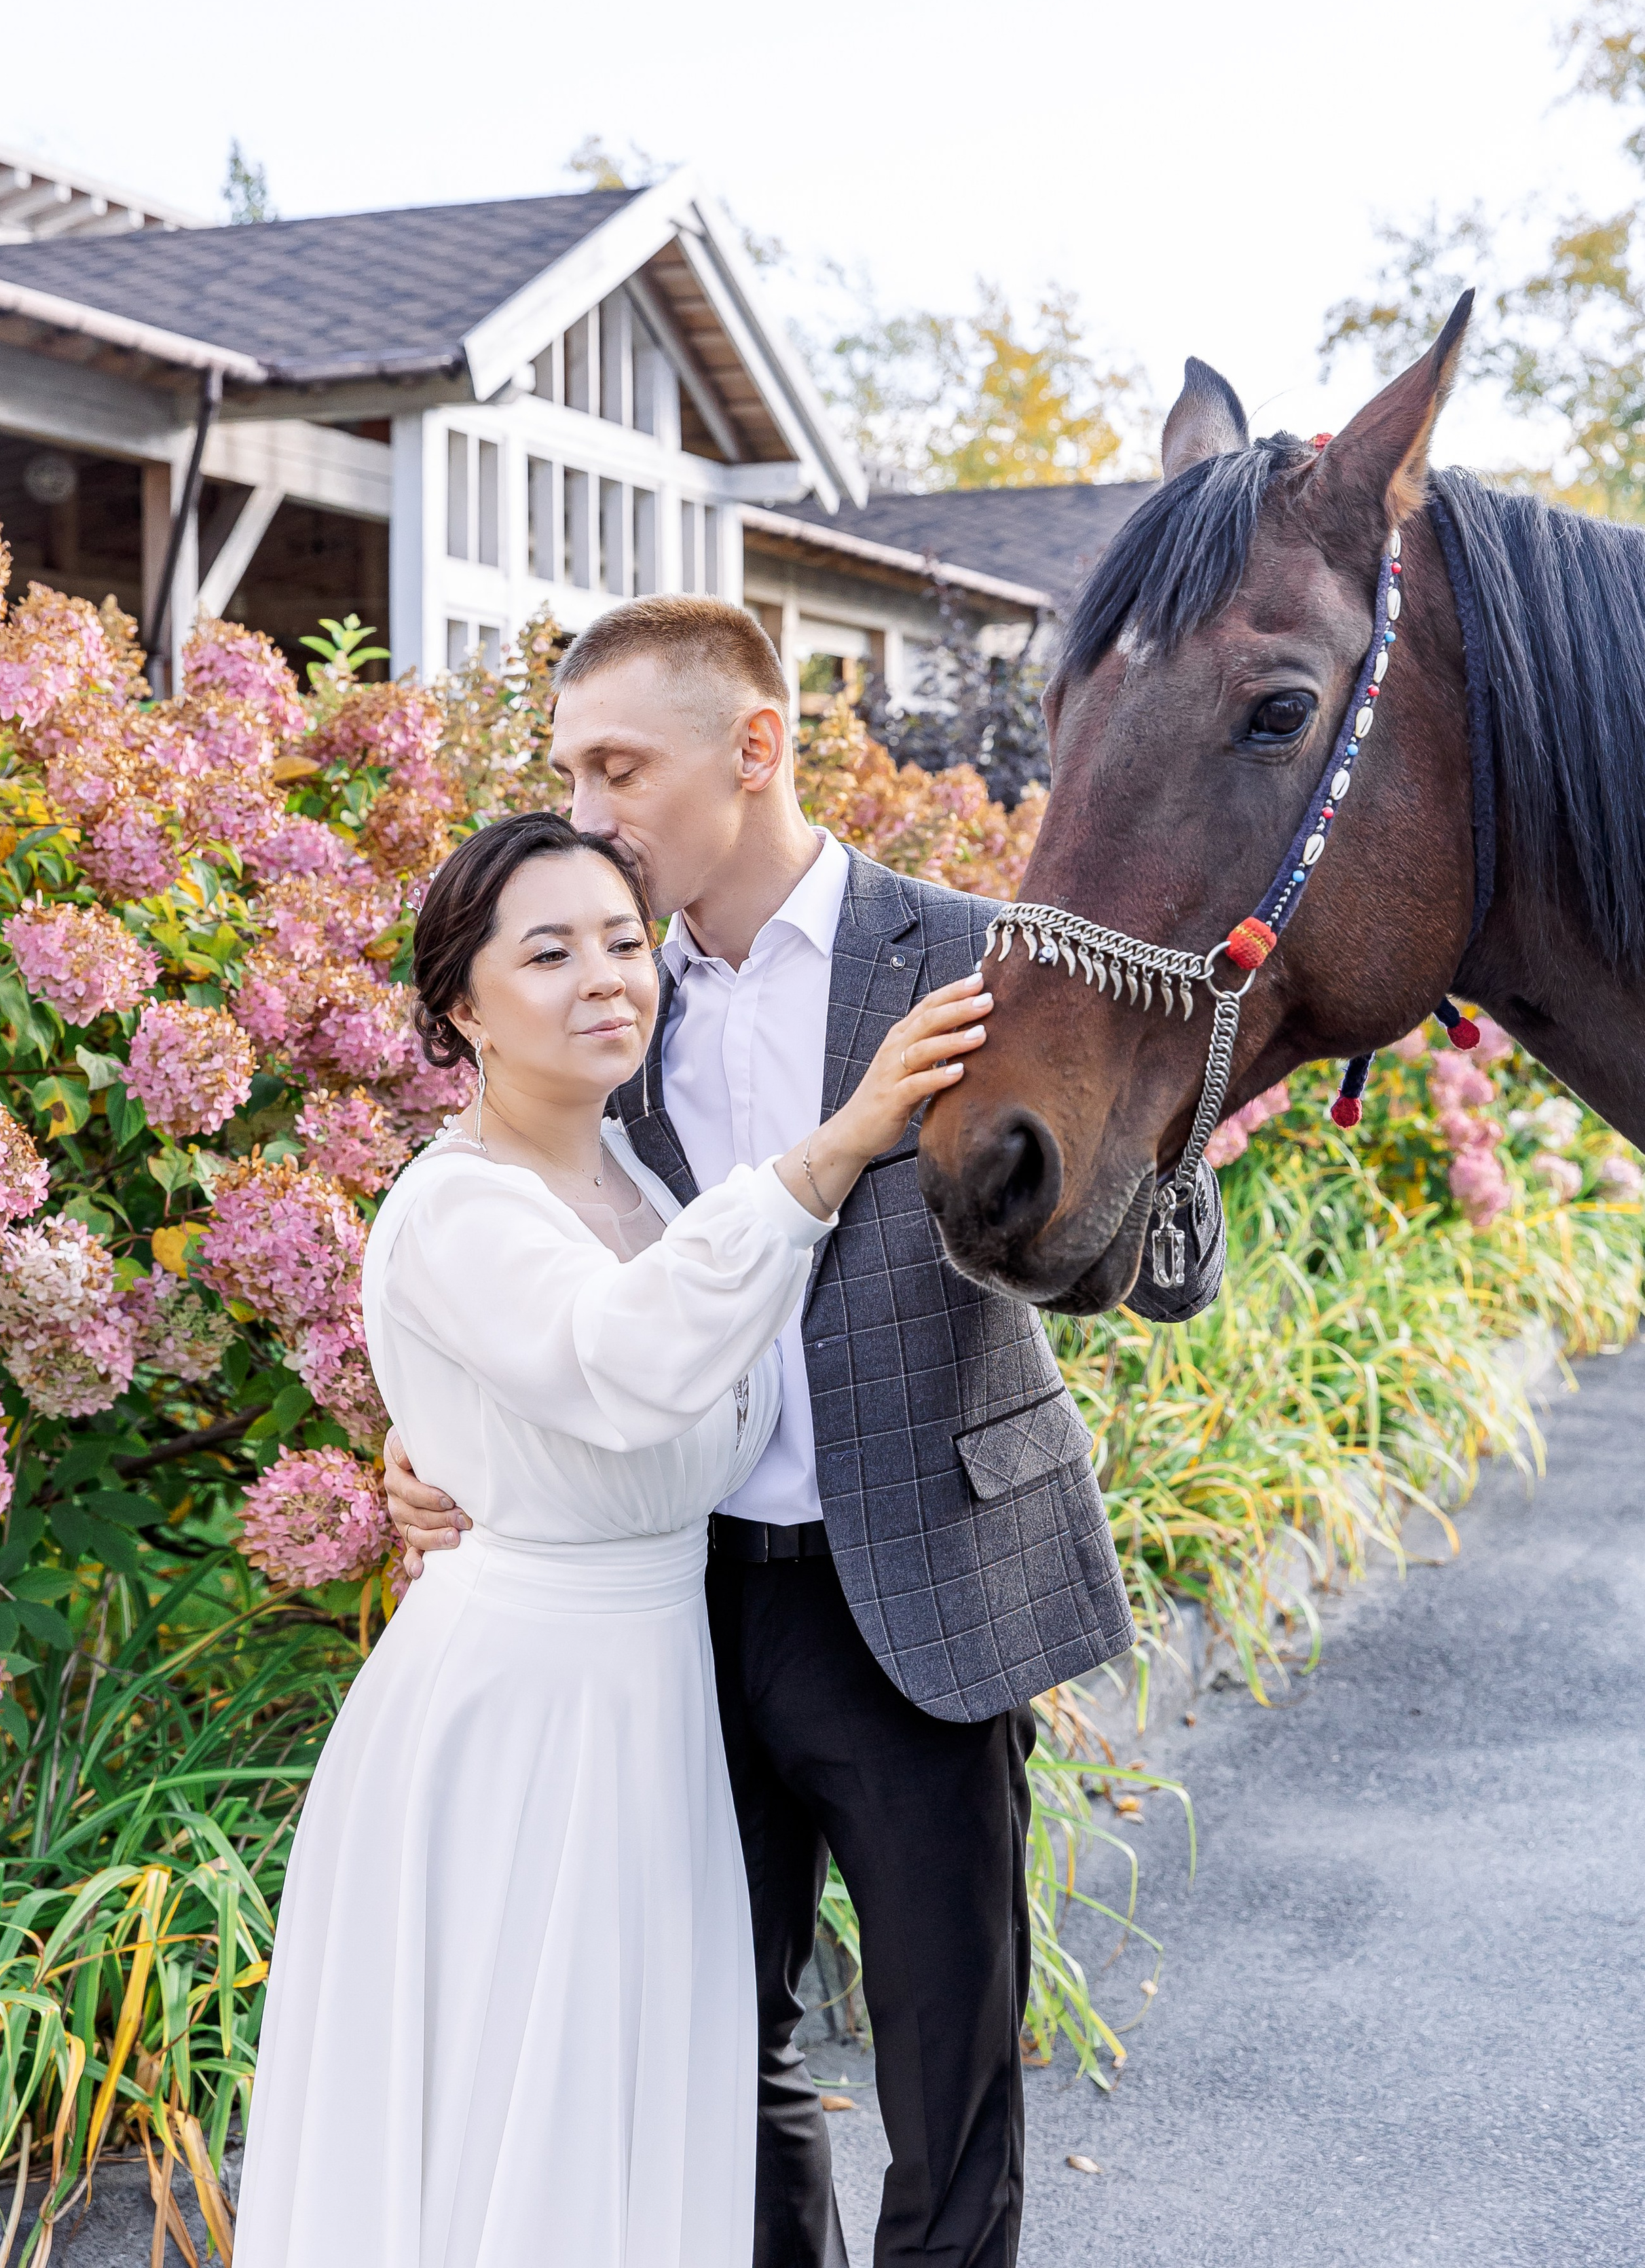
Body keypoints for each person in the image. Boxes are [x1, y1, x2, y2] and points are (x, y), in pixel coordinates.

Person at [386, 598, 1225, 2267]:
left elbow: (1176, 1269)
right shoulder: (603, 1001)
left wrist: (1128, 1146)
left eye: (615, 768)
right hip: (677, 1601)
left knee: (948, 2076)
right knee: (713, 2060)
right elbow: (525, 1265)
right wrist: (443, 1449)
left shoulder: (981, 956)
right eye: (568, 771)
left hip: (919, 1577)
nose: (584, 810)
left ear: (753, 748)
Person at [232, 806, 992, 2268]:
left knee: (642, 2082)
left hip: (654, 1681)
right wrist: (840, 1143)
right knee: (532, 2084)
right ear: (462, 1008)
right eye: (548, 954)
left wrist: (455, 1438)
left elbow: (663, 1369)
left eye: (624, 943)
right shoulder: (455, 1205)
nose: (604, 979)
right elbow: (625, 1356)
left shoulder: (634, 1176)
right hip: (526, 1708)